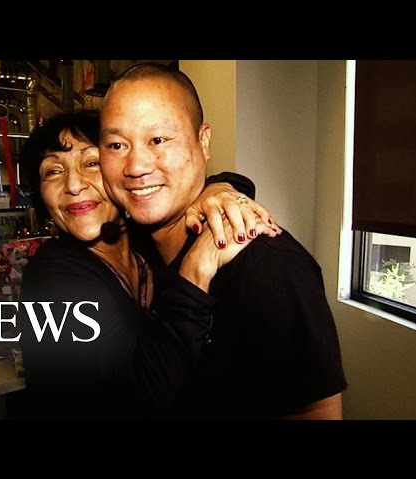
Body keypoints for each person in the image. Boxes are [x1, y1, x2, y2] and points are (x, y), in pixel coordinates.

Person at [99, 62, 347, 419]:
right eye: (117, 144)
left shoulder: (266, 264)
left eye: (158, 140)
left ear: (203, 141)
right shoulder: (133, 249)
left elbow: (316, 409)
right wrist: (222, 186)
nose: (136, 166)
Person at [17, 110, 278, 418]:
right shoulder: (51, 278)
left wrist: (220, 190)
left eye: (92, 163)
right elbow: (141, 396)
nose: (73, 185)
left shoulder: (146, 245)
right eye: (53, 171)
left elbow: (200, 187)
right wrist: (194, 273)